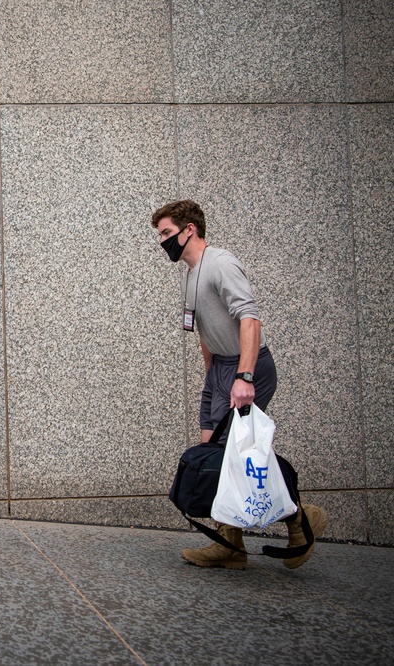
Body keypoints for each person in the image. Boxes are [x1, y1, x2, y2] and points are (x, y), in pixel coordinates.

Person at [152, 199, 327, 570]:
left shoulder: (220, 263)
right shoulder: (190, 275)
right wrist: (211, 379)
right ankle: (230, 544)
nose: (162, 242)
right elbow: (202, 330)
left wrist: (244, 377)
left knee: (236, 455)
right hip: (219, 370)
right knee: (212, 453)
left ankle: (299, 518)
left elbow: (250, 318)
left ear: (189, 230)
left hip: (247, 367)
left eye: (166, 233)